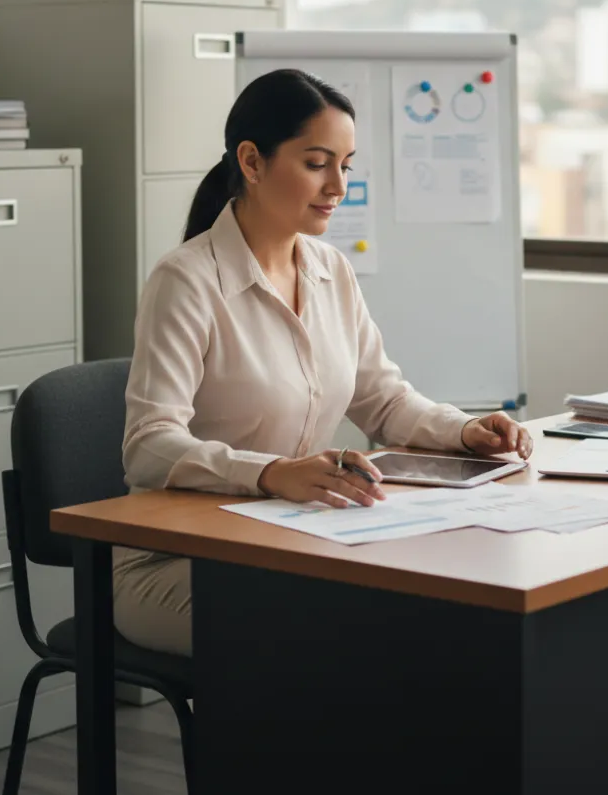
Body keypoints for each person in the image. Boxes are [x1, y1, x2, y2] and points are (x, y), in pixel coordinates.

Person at [113, 68, 533, 656]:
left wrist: (464, 430)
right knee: (336, 629)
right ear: (253, 162)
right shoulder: (185, 280)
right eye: (316, 163)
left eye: (346, 164)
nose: (339, 185)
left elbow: (383, 399)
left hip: (292, 539)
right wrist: (267, 473)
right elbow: (148, 444)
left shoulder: (330, 268)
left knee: (433, 598)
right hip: (180, 559)